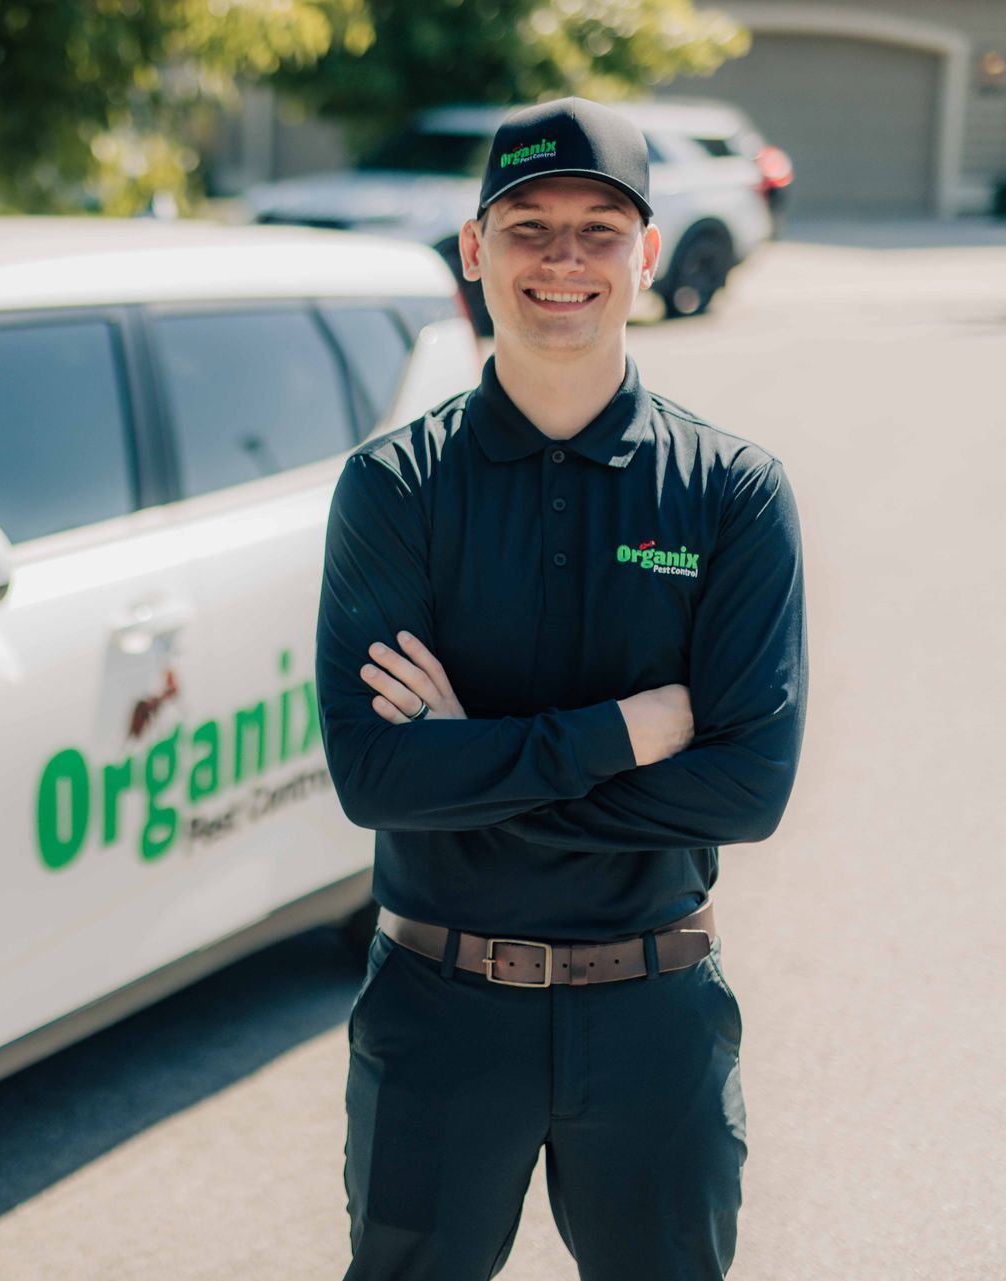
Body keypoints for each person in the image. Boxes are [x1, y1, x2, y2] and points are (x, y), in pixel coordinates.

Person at [314, 96, 807, 1280]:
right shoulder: (394, 490)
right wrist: (626, 732)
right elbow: (375, 776)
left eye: (600, 229)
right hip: (440, 1005)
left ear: (645, 251)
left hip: (653, 1013)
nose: (564, 260)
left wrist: (470, 760)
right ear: (475, 249)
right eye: (529, 226)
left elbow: (744, 790)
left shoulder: (732, 495)